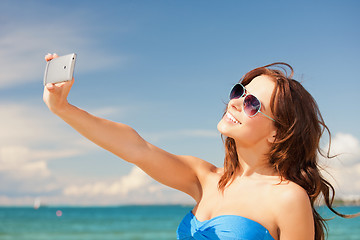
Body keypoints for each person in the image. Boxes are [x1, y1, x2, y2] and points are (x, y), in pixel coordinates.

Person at [43, 54, 355, 240]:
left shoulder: (288, 197)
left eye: (251, 104)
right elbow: (135, 147)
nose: (234, 101)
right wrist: (63, 108)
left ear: (278, 133)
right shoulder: (205, 178)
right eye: (239, 91)